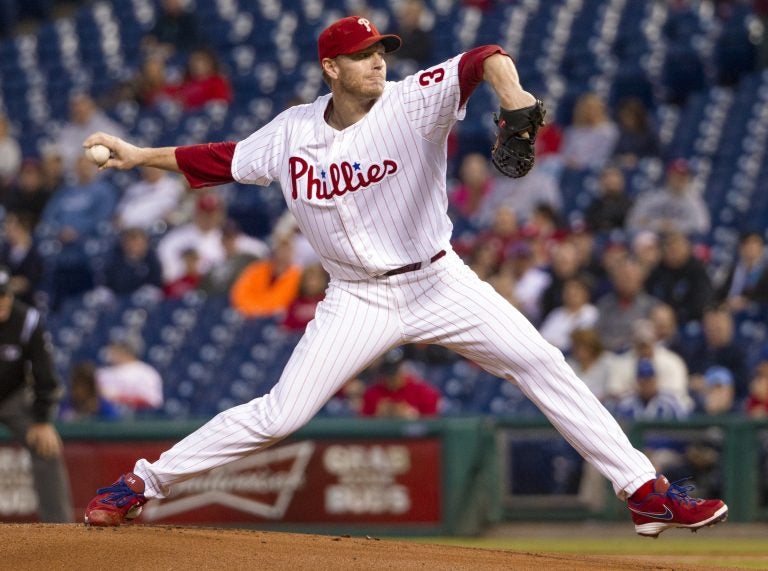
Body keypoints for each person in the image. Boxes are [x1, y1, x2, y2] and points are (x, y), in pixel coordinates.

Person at [82, 16, 726, 535]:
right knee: (281, 414)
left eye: (381, 50)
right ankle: (143, 483)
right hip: (356, 298)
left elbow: (486, 56)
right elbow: (220, 159)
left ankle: (645, 491)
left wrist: (513, 98)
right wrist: (138, 155)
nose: (378, 61)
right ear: (330, 68)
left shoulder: (413, 100)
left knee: (541, 361)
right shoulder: (292, 131)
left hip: (440, 281)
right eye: (362, 55)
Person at [0, 265, 73, 522]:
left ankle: (59, 531)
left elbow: (44, 371)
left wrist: (42, 420)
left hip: (13, 397)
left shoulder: (26, 319)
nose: (2, 301)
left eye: (5, 294)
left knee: (46, 447)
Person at [626, 159, 710, 237]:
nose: (680, 179)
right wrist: (658, 225)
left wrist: (674, 227)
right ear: (669, 176)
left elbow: (702, 228)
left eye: (683, 176)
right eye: (676, 175)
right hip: (652, 242)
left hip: (680, 242)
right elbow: (632, 223)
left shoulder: (695, 202)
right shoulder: (651, 198)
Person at [360, 347, 440, 418]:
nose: (390, 378)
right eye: (388, 374)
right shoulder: (372, 393)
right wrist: (377, 417)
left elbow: (434, 425)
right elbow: (362, 427)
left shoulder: (423, 392)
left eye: (394, 373)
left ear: (403, 368)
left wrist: (414, 417)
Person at [95, 336, 164, 414]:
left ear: (127, 351)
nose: (111, 354)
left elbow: (153, 402)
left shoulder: (146, 372)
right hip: (104, 420)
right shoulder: (102, 373)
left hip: (138, 421)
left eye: (117, 349)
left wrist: (118, 397)